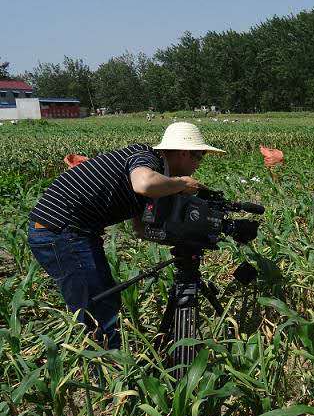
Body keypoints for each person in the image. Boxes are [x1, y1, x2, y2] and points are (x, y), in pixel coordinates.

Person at [27, 122, 222, 349]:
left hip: (70, 232)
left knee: (104, 300)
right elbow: (144, 184)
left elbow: (141, 229)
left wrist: (187, 239)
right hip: (60, 231)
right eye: (200, 157)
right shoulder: (145, 157)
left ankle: (108, 357)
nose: (199, 165)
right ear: (184, 153)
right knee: (97, 310)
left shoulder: (157, 176)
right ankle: (104, 364)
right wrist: (181, 183)